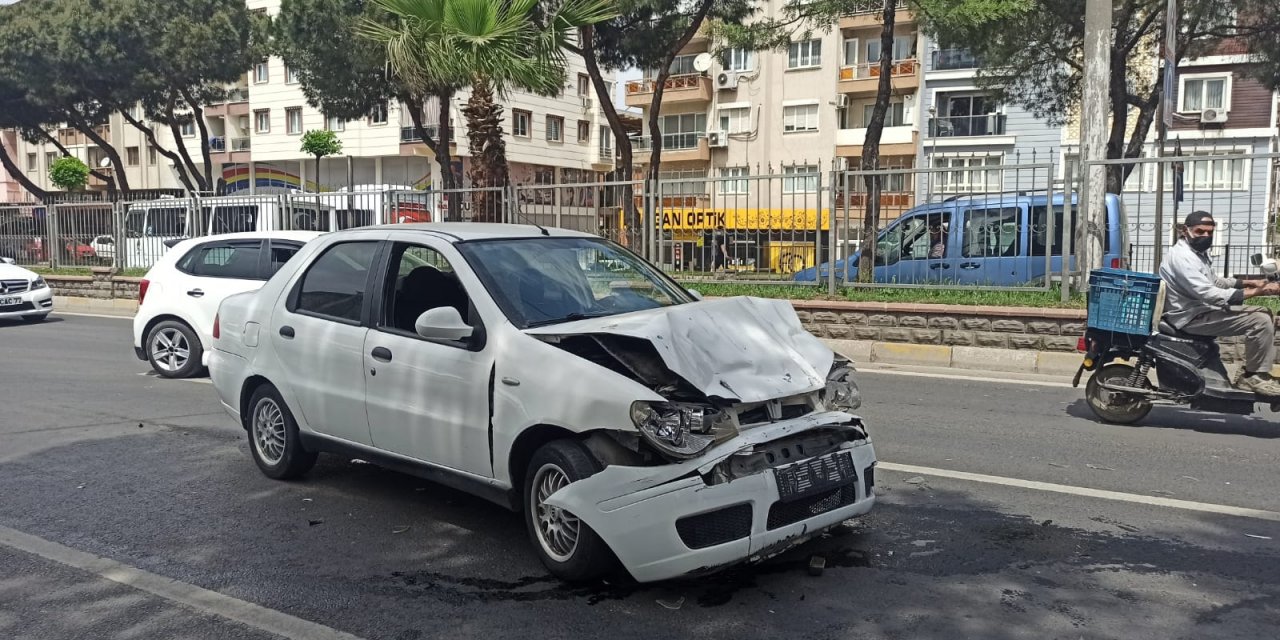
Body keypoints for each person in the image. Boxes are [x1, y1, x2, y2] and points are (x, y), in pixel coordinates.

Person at [1160, 211, 1280, 395]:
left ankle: (1250, 371)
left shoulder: (1197, 253)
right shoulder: (1182, 258)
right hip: (1191, 317)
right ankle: (1253, 377)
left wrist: (1248, 282)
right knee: (1260, 320)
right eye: (1200, 231)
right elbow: (1210, 294)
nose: (1206, 236)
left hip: (1201, 311)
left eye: (1210, 232)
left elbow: (1214, 282)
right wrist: (1259, 291)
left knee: (1264, 312)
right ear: (1185, 230)